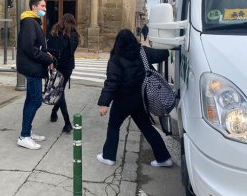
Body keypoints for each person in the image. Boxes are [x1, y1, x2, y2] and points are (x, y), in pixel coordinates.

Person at [96, 29, 173, 167]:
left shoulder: (115, 59)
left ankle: (109, 156)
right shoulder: (143, 52)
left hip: (122, 101)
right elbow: (163, 54)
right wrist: (166, 42)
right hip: (140, 100)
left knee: (113, 126)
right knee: (147, 128)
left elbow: (112, 82)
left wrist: (104, 103)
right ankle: (164, 158)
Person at [16, 0, 55, 150]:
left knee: (30, 100)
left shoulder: (33, 22)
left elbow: (37, 46)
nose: (44, 9)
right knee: (36, 101)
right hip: (32, 68)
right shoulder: (29, 23)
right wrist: (47, 59)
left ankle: (27, 132)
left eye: (45, 7)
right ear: (34, 7)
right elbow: (29, 48)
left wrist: (47, 54)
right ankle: (24, 136)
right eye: (42, 6)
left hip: (34, 67)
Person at [47, 13, 80, 133]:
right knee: (60, 91)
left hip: (58, 66)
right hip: (69, 67)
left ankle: (67, 123)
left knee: (59, 93)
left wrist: (51, 63)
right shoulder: (75, 35)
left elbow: (51, 50)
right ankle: (54, 112)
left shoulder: (57, 33)